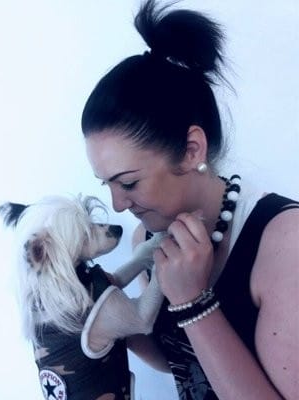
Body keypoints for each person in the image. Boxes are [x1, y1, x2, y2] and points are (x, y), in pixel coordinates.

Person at [80, 1, 299, 399]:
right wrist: (100, 314)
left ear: (191, 149)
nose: (118, 205)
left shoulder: (287, 244)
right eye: (106, 184)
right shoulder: (151, 238)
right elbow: (180, 360)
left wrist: (193, 303)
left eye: (128, 182)